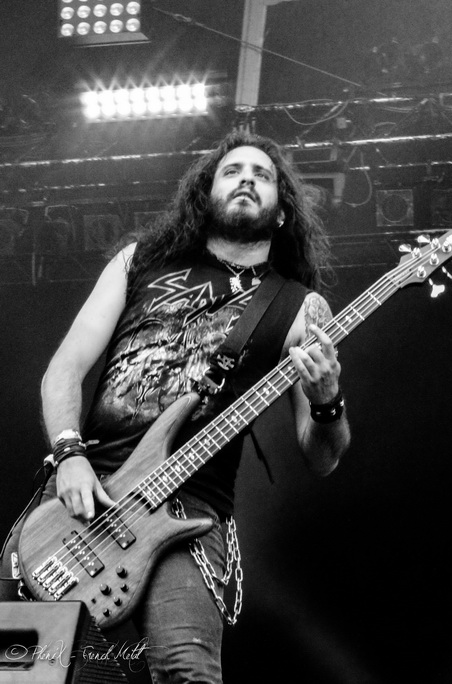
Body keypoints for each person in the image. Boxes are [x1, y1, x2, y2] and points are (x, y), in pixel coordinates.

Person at [39, 130, 351, 683]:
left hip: (189, 509)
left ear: (282, 211)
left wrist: (328, 401)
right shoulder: (139, 261)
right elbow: (64, 369)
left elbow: (322, 457)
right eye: (232, 171)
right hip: (84, 490)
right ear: (205, 196)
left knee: (188, 672)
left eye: (262, 175)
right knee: (27, 668)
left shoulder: (301, 308)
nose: (247, 179)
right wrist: (69, 455)